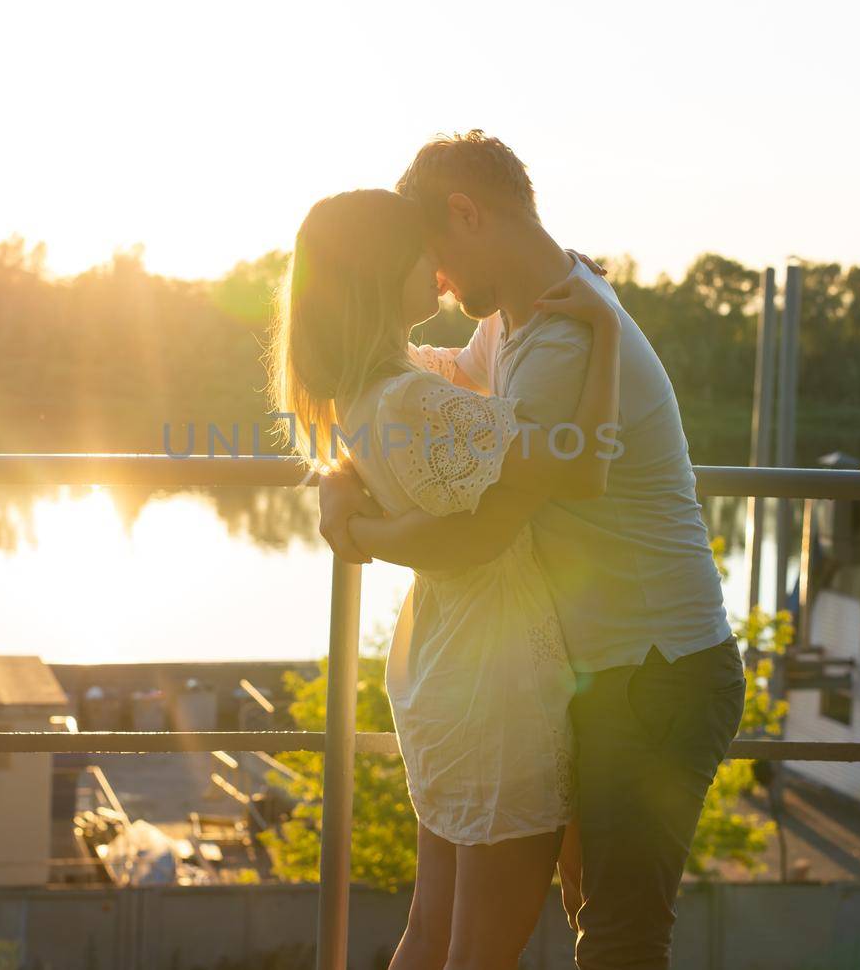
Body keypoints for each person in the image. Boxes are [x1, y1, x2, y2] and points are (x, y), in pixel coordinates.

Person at [320, 132, 746, 970]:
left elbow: (503, 506)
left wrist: (360, 524)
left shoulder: (565, 337)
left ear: (466, 213)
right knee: (595, 917)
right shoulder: (522, 321)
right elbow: (420, 388)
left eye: (431, 253)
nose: (435, 279)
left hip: (653, 671)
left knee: (619, 938)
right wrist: (337, 462)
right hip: (604, 671)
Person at [270, 187, 624, 970]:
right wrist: (607, 328)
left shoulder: (367, 394)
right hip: (495, 688)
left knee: (429, 936)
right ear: (378, 273)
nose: (436, 268)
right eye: (418, 254)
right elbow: (583, 463)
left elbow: (442, 466)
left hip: (445, 666)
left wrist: (354, 512)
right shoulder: (417, 403)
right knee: (475, 955)